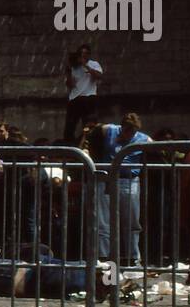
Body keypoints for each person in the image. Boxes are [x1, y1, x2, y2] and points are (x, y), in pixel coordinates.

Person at [95, 111, 151, 264]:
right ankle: (104, 257)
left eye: (132, 132)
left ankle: (131, 256)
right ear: (122, 127)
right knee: (103, 221)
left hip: (129, 180)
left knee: (131, 220)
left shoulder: (144, 139)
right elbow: (92, 136)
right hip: (106, 179)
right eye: (126, 131)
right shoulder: (109, 130)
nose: (129, 135)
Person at [63, 44, 103, 144]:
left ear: (89, 55)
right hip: (75, 98)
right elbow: (70, 85)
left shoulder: (94, 64)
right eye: (81, 54)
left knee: (89, 126)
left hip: (89, 98)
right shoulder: (74, 67)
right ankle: (70, 146)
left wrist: (85, 65)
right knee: (70, 127)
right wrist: (68, 72)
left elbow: (98, 76)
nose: (83, 56)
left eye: (85, 54)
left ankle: (88, 145)